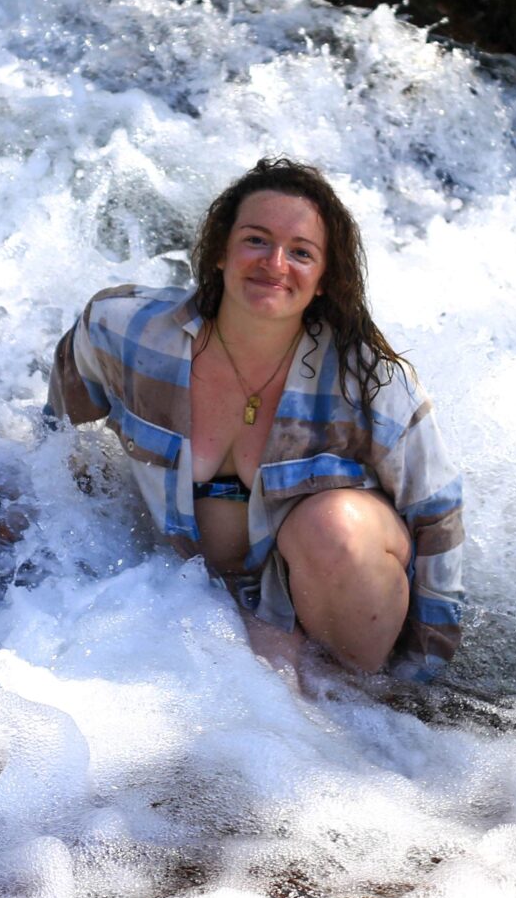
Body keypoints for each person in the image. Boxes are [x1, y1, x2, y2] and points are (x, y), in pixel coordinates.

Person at [48, 158, 463, 680]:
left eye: (302, 252)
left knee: (334, 526)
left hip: (332, 605)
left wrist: (422, 678)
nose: (275, 263)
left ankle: (361, 696)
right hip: (189, 592)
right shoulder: (124, 331)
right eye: (256, 240)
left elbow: (438, 515)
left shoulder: (368, 381)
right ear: (221, 250)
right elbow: (58, 439)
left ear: (324, 279)